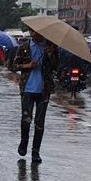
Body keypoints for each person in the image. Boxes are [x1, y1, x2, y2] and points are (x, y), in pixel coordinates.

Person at [13, 29, 58, 164]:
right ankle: (24, 142)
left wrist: (50, 55)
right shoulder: (24, 47)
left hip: (44, 90)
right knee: (26, 119)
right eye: (31, 32)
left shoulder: (51, 47)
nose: (33, 34)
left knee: (39, 122)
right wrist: (27, 65)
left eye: (36, 32)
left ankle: (35, 151)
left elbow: (56, 67)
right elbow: (13, 65)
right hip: (27, 89)